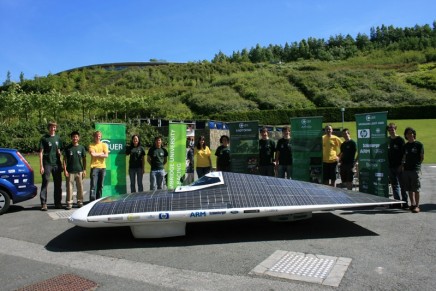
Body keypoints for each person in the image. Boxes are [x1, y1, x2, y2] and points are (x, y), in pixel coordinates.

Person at [39, 121, 63, 211]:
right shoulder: (44, 138)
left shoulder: (58, 138)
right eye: (52, 127)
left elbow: (59, 152)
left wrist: (61, 163)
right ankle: (44, 203)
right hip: (47, 163)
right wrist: (41, 166)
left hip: (56, 164)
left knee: (58, 184)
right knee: (45, 182)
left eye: (54, 127)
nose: (53, 129)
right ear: (49, 128)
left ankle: (58, 203)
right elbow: (41, 152)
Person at [62, 131, 87, 209]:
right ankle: (69, 203)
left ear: (78, 138)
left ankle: (80, 201)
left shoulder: (81, 148)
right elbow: (64, 160)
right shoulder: (68, 148)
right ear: (71, 138)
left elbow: (84, 159)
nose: (75, 138)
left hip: (79, 171)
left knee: (80, 187)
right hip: (70, 171)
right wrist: (65, 170)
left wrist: (84, 170)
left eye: (76, 137)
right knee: (69, 188)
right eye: (73, 137)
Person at [402, 127, 424, 213]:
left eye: (411, 133)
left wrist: (417, 166)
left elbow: (421, 157)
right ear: (406, 135)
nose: (410, 135)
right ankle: (412, 204)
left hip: (415, 170)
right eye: (408, 133)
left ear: (414, 134)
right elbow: (404, 157)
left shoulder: (419, 144)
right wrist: (403, 165)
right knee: (409, 188)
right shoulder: (405, 146)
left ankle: (417, 206)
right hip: (406, 169)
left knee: (416, 188)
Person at [387, 123, 408, 208]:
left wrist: (402, 165)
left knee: (402, 185)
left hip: (399, 166)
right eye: (389, 129)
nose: (391, 130)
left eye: (392, 128)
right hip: (390, 166)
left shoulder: (400, 140)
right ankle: (397, 203)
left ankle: (405, 202)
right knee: (394, 185)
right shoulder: (387, 140)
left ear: (395, 129)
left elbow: (404, 154)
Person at [89, 130, 109, 201]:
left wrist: (98, 154)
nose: (98, 137)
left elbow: (106, 155)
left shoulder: (104, 145)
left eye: (99, 136)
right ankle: (92, 201)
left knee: (100, 186)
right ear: (94, 137)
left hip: (103, 168)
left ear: (101, 137)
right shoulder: (91, 145)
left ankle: (98, 200)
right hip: (94, 168)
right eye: (96, 136)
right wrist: (102, 153)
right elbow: (93, 154)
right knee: (93, 186)